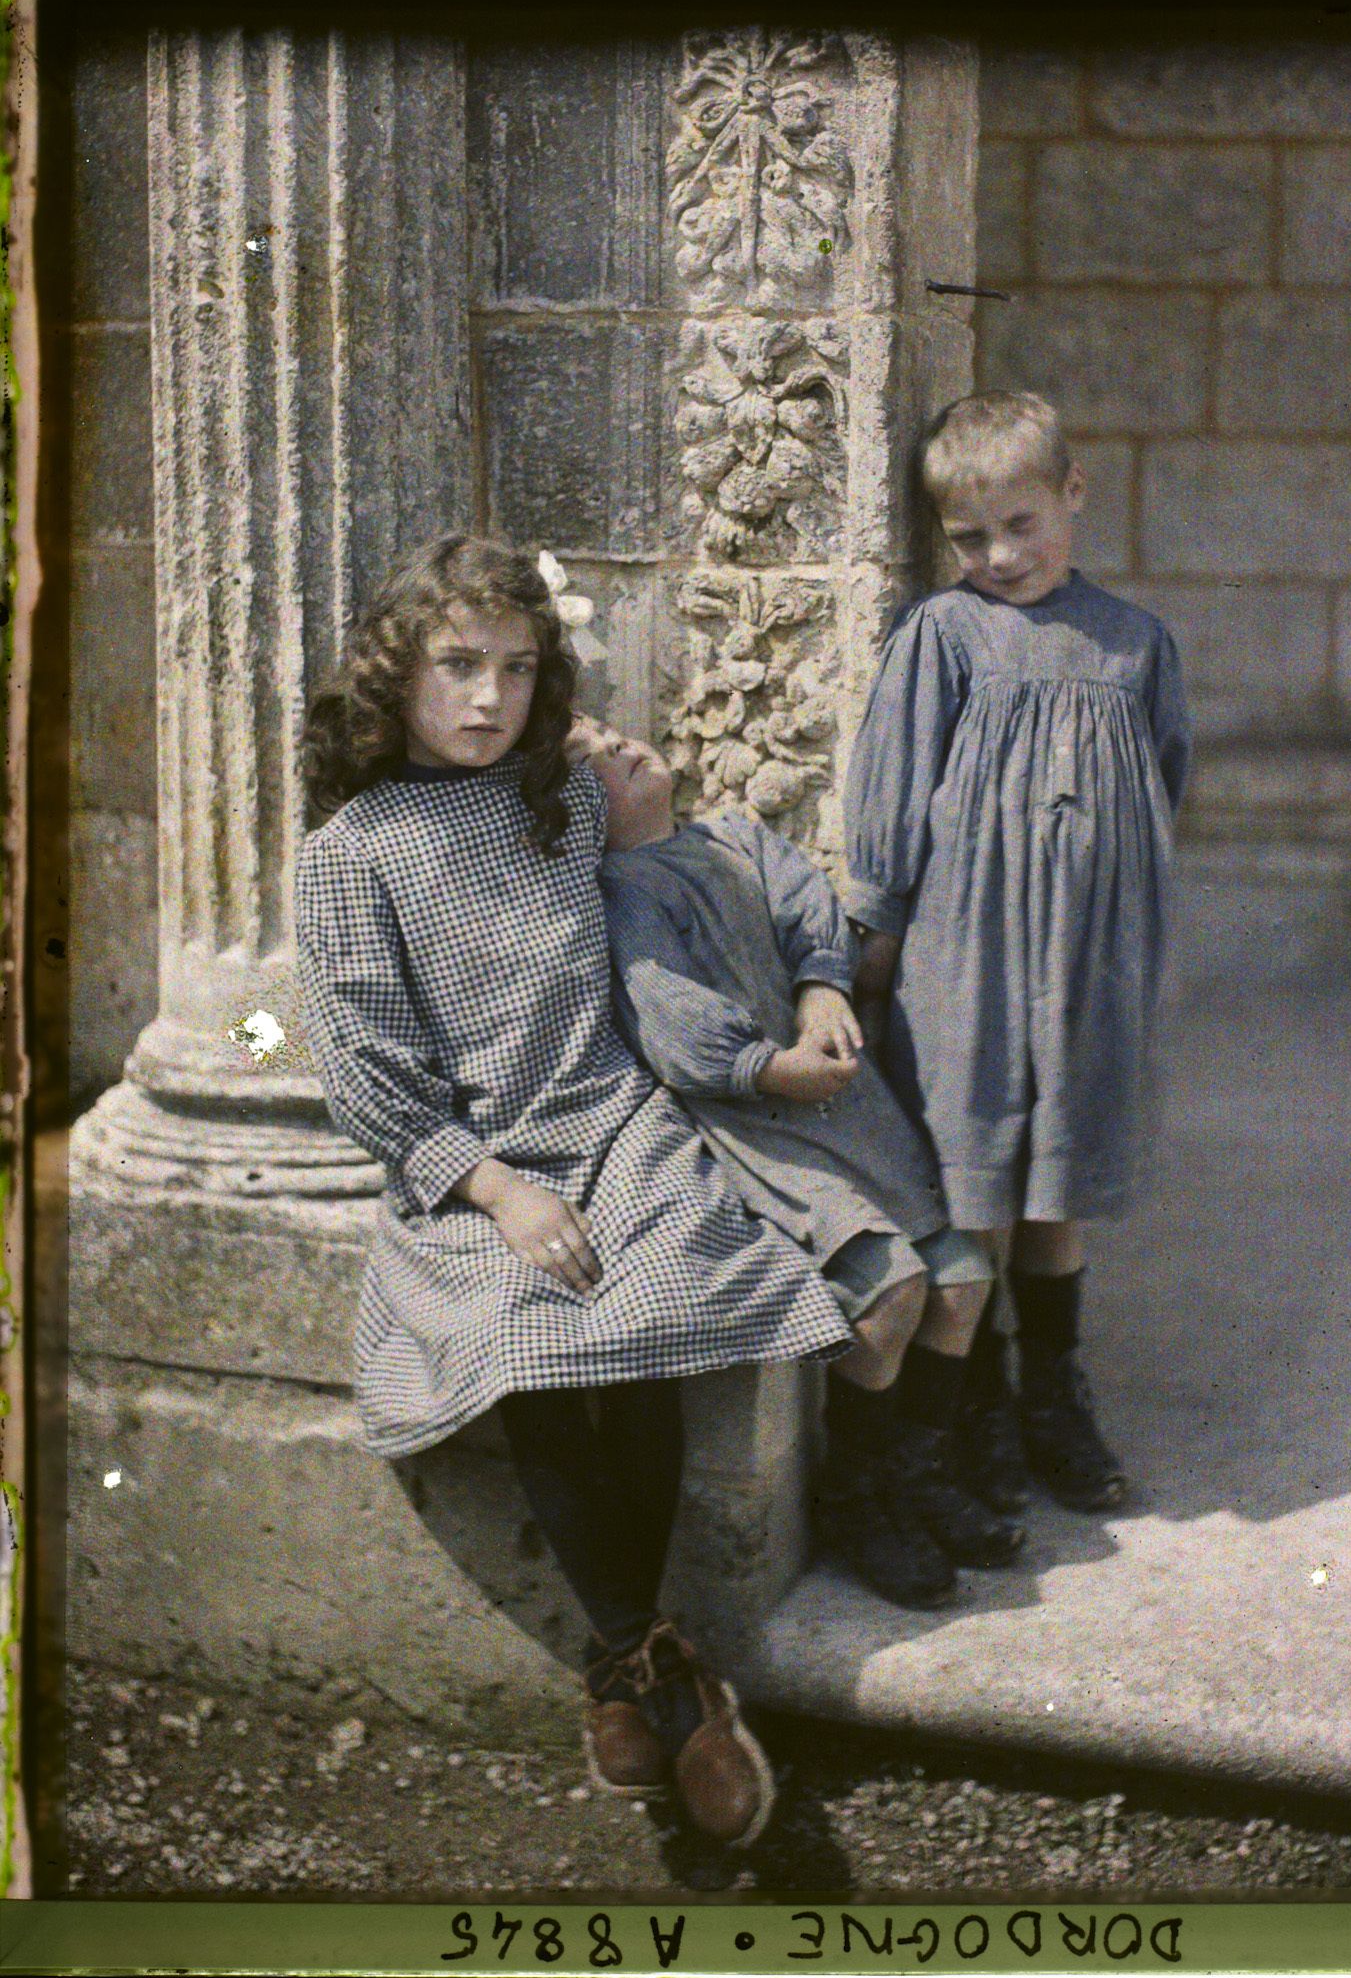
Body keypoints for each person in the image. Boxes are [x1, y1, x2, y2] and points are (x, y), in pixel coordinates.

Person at [294, 535, 855, 1848]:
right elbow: (365, 1072)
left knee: (649, 1306)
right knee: (527, 1336)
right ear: (395, 674)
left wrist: (651, 823)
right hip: (477, 1160)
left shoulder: (561, 800)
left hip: (613, 1120)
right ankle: (654, 1667)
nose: (486, 699)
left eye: (514, 668)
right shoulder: (353, 851)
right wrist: (492, 1191)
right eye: (454, 667)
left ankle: (628, 1671)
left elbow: (704, 894)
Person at [567, 716, 1025, 1613]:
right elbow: (670, 1024)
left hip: (839, 1097)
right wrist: (769, 1067)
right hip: (759, 1117)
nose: (620, 748)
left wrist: (820, 987)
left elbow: (805, 904)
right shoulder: (624, 894)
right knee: (891, 1289)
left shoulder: (731, 838)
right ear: (577, 810)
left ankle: (916, 1466)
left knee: (964, 1277)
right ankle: (856, 1491)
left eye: (613, 735)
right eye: (592, 761)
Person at [844, 392, 1191, 1514]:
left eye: (1023, 524)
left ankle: (1052, 1393)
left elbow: (1163, 783)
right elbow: (892, 798)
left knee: (1058, 1185)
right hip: (971, 954)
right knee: (974, 1177)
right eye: (971, 536)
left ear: (1073, 494)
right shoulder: (942, 636)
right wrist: (876, 946)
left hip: (1088, 956)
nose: (1000, 555)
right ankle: (974, 1404)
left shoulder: (1135, 643)